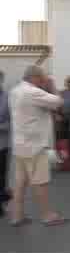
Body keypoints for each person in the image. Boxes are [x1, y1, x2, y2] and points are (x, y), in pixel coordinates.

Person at [9, 65, 69, 227]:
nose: (43, 82)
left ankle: (17, 215)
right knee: (41, 181)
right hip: (34, 145)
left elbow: (35, 110)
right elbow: (58, 101)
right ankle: (47, 215)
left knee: (20, 182)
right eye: (41, 78)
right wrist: (52, 86)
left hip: (19, 144)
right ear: (34, 77)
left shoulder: (15, 91)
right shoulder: (33, 92)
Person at [0, 71, 11, 218]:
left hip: (2, 143)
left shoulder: (7, 97)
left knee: (1, 175)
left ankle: (1, 204)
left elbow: (11, 121)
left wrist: (2, 127)